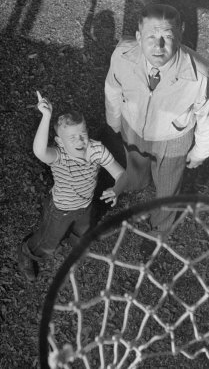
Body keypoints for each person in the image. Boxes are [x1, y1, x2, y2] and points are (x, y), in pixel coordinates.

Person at [105, 3, 209, 250]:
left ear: (181, 33)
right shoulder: (123, 55)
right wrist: (114, 119)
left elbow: (208, 115)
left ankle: (160, 229)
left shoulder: (200, 73)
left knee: (167, 189)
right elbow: (113, 88)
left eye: (167, 36)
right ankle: (136, 181)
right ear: (138, 36)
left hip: (173, 139)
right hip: (133, 126)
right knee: (135, 164)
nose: (158, 46)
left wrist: (200, 152)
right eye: (151, 36)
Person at [18, 91, 127, 281]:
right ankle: (27, 253)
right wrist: (46, 117)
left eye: (82, 134)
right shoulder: (59, 156)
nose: (79, 140)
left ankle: (75, 242)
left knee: (82, 231)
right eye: (72, 137)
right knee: (48, 242)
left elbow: (120, 173)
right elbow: (39, 151)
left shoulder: (96, 150)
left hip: (85, 205)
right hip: (61, 210)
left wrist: (117, 188)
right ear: (60, 141)